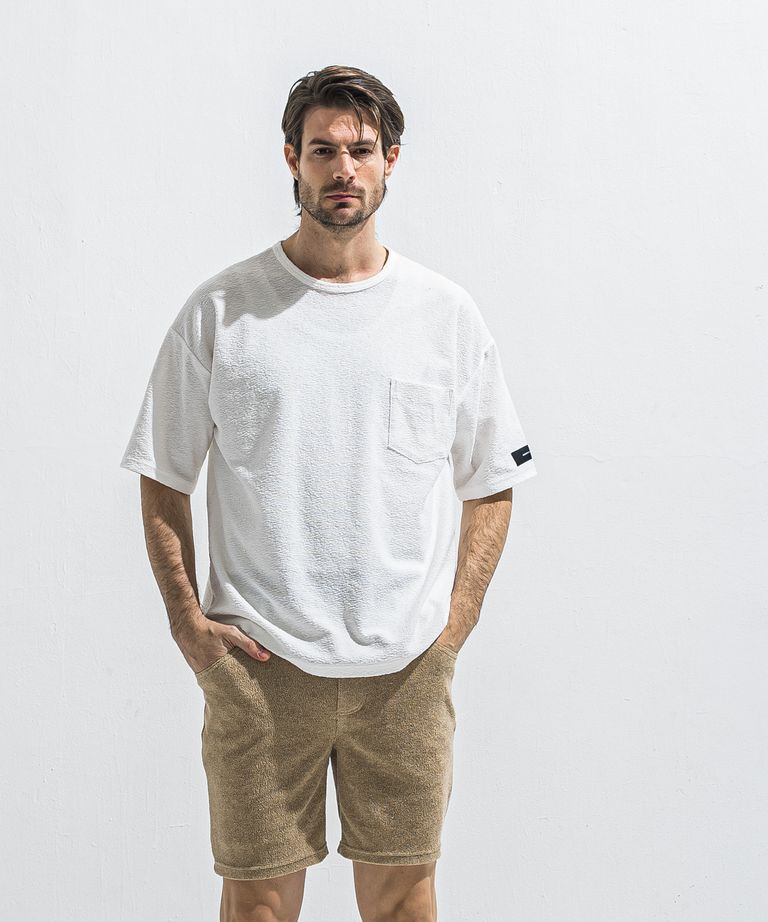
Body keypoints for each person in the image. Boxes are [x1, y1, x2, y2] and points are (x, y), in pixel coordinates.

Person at [120, 64, 537, 922]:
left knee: (403, 901)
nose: (343, 168)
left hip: (408, 668)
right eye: (322, 150)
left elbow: (492, 481)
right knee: (259, 904)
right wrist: (189, 625)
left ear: (390, 160)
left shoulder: (444, 315)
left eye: (361, 149)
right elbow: (164, 477)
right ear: (292, 160)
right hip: (261, 668)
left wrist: (453, 628)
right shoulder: (223, 312)